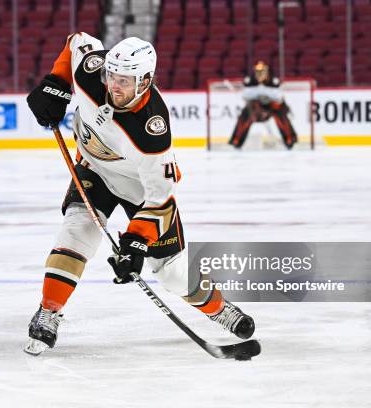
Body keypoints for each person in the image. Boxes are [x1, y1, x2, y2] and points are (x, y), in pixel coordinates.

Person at [25, 32, 255, 354]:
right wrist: (55, 83)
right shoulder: (93, 70)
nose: (113, 86)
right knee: (77, 232)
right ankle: (49, 311)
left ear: (145, 81)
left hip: (141, 191)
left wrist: (136, 242)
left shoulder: (153, 133)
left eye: (124, 81)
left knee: (173, 273)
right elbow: (77, 40)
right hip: (95, 169)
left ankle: (218, 309)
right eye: (111, 76)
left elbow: (160, 199)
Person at [229, 61, 297, 149]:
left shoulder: (274, 81)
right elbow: (244, 96)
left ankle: (290, 139)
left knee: (281, 115)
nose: (260, 74)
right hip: (254, 108)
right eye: (258, 71)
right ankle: (236, 140)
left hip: (271, 107)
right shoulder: (250, 81)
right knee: (244, 115)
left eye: (262, 71)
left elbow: (279, 97)